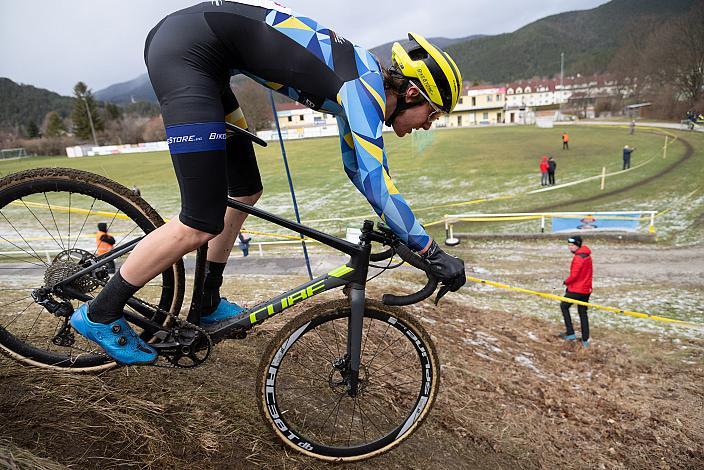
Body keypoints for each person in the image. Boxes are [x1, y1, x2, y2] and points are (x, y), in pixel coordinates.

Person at [69, 0, 467, 365]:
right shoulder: (364, 90)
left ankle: (207, 300)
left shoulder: (360, 82)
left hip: (202, 54)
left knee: (244, 188)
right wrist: (430, 249)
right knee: (199, 220)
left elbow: (356, 169)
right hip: (188, 54)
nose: (425, 127)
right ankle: (102, 313)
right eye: (431, 116)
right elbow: (373, 177)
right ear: (413, 93)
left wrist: (412, 237)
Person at [558, 236, 593, 348]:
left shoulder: (578, 258)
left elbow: (574, 275)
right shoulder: (587, 255)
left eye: (572, 245)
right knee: (583, 313)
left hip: (577, 289)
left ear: (578, 245)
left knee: (564, 306)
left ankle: (570, 333)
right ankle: (585, 339)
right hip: (586, 289)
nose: (570, 247)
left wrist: (566, 282)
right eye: (568, 245)